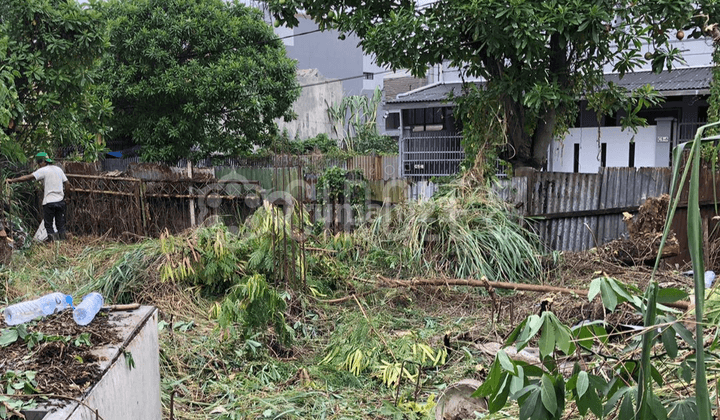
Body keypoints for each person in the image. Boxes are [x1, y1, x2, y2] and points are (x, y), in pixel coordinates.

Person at [7, 152, 69, 241]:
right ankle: (63, 243)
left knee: (49, 225)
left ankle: (54, 244)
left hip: (49, 202)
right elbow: (67, 184)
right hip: (60, 201)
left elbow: (28, 177)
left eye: (38, 163)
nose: (38, 165)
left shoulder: (43, 170)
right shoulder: (58, 169)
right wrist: (67, 197)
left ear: (42, 162)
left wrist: (12, 180)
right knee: (60, 224)